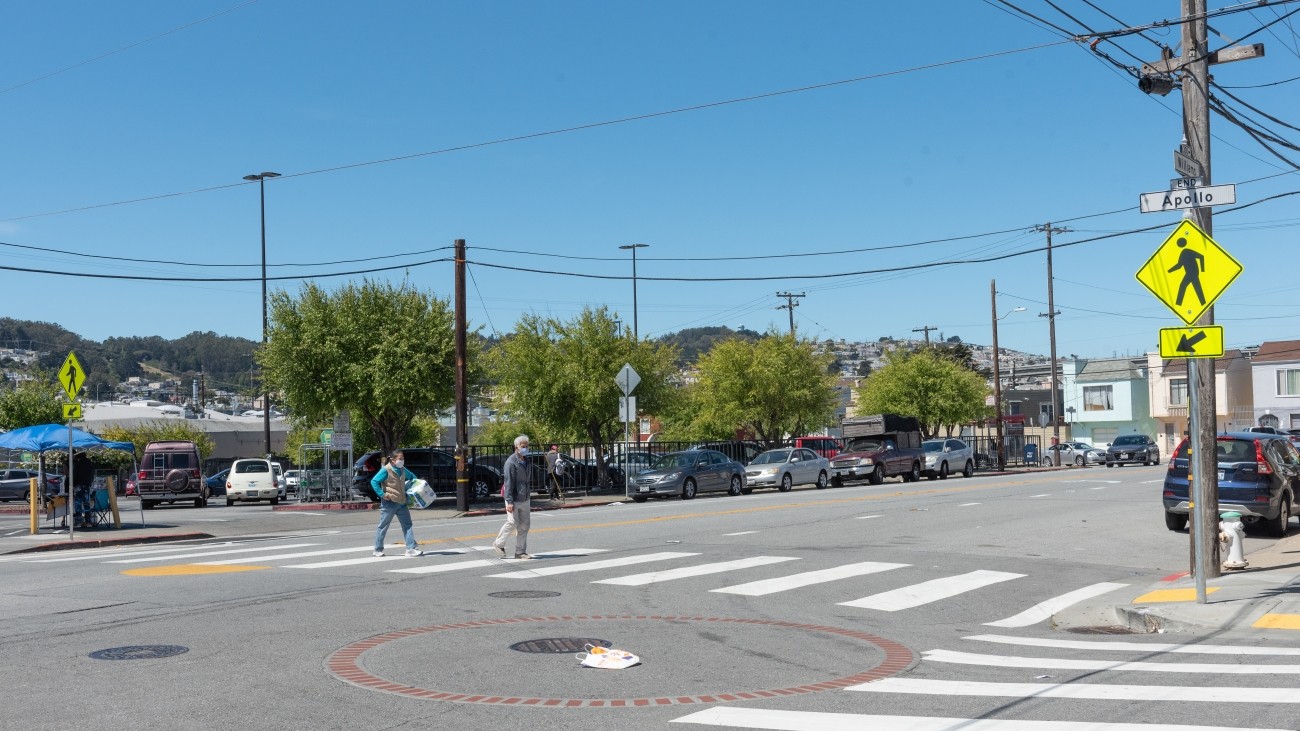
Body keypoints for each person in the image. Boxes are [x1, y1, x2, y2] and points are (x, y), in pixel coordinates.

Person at [369, 449, 423, 558]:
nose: (402, 461)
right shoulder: (386, 470)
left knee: (407, 525)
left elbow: (412, 477)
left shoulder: (403, 469)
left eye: (403, 458)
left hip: (402, 502)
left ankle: (410, 548)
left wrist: (414, 486)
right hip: (389, 502)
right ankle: (377, 549)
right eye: (400, 459)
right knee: (383, 526)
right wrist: (382, 494)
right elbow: (374, 481)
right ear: (393, 460)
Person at [493, 435, 533, 560]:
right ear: (516, 447)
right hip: (514, 498)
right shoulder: (511, 462)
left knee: (524, 525)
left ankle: (520, 552)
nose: (525, 448)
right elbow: (508, 482)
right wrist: (509, 500)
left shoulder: (526, 460)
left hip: (525, 497)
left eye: (527, 446)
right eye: (523, 446)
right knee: (512, 522)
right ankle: (499, 544)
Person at [72, 453, 94, 529]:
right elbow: (92, 475)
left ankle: (78, 521)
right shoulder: (89, 464)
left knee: (78, 503)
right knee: (86, 503)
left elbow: (74, 475)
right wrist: (90, 483)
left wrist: (73, 484)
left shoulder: (77, 464)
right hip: (87, 485)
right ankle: (88, 521)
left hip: (78, 485)